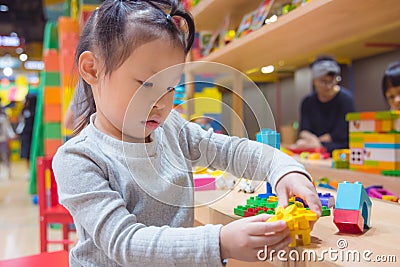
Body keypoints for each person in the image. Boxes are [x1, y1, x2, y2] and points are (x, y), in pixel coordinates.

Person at [52, 1, 321, 266]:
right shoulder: (78, 158)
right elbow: (125, 242)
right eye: (146, 84)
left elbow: (232, 151)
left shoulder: (172, 129)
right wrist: (220, 243)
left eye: (170, 88)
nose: (161, 102)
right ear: (92, 69)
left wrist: (284, 169)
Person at [293, 56, 355, 154]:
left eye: (332, 80)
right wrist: (313, 141)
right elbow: (304, 130)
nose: (329, 86)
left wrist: (316, 143)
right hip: (314, 147)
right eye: (323, 82)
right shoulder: (307, 102)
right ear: (314, 81)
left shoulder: (345, 99)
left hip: (339, 149)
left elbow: (341, 133)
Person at [17, 94, 36, 177]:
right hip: (25, 135)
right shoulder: (23, 110)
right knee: (26, 153)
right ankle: (28, 170)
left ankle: (33, 170)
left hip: (32, 135)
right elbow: (21, 122)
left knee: (32, 151)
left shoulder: (35, 111)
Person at [0, 102, 16, 179]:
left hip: (3, 139)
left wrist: (12, 135)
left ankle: (7, 170)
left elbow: (8, 128)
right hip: (3, 139)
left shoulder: (3, 118)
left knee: (5, 155)